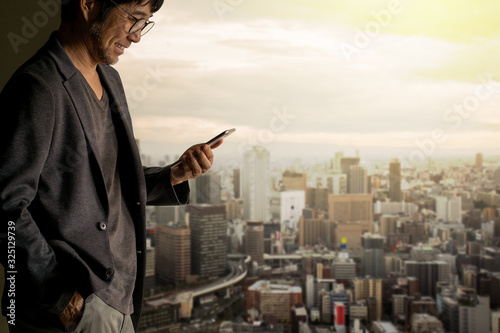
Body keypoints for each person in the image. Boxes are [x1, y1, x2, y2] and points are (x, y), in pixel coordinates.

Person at [0, 0, 219, 331]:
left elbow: (109, 185)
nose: (136, 37)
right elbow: (5, 206)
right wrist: (63, 300)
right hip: (75, 311)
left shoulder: (111, 79)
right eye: (134, 19)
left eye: (144, 24)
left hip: (120, 304)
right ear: (88, 4)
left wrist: (174, 175)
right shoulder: (38, 87)